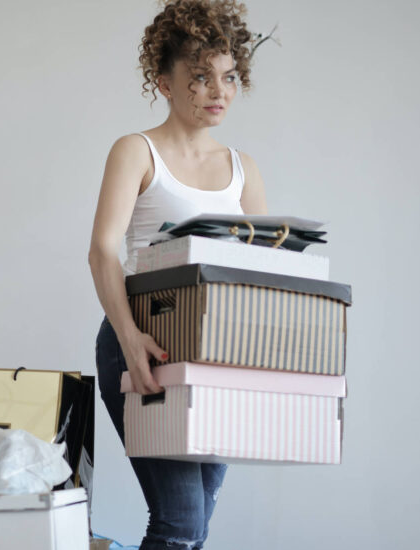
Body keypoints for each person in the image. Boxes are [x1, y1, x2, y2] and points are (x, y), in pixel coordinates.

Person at [88, 1, 268, 548]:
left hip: (216, 356)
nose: (219, 91)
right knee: (180, 521)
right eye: (200, 78)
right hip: (142, 341)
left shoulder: (244, 168)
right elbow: (102, 251)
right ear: (164, 84)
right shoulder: (136, 151)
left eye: (229, 76)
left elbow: (260, 273)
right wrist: (128, 338)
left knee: (195, 525)